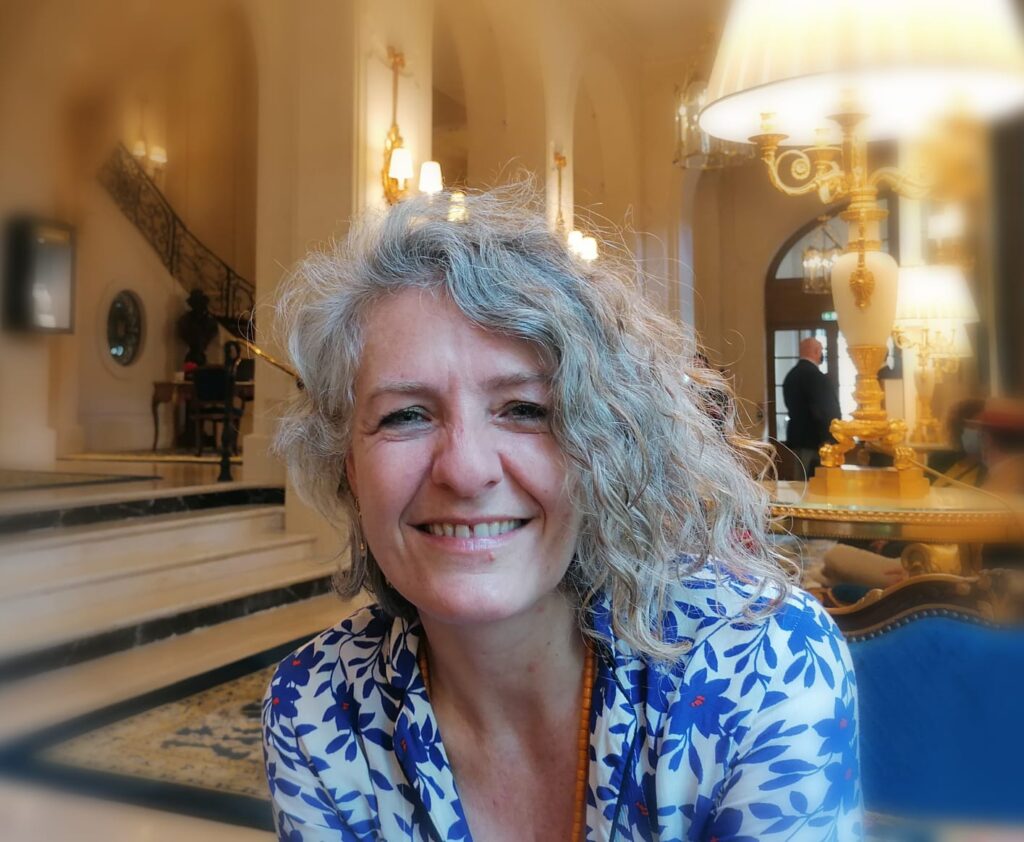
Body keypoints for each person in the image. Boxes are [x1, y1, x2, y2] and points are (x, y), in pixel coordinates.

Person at [263, 187, 861, 841]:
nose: (465, 470)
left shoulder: (763, 666)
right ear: (349, 467)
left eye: (525, 409)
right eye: (406, 415)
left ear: (600, 444)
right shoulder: (314, 705)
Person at [782, 337, 842, 480]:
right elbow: (825, 410)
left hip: (797, 438)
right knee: (818, 482)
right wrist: (833, 437)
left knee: (800, 481)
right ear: (816, 351)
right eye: (821, 351)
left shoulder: (791, 376)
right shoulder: (816, 377)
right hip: (817, 440)